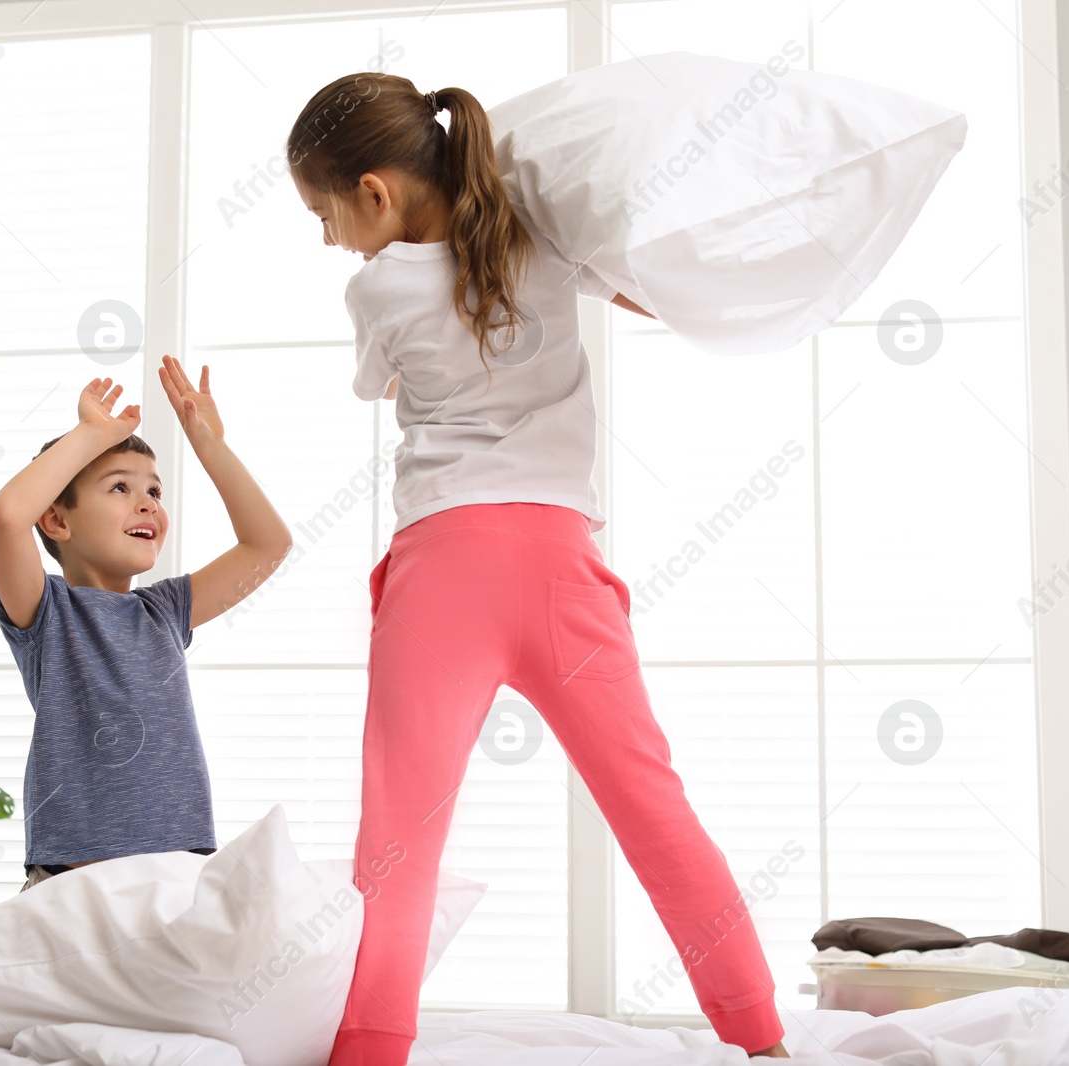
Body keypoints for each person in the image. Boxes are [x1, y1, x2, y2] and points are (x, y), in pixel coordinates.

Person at [287, 74, 791, 1062]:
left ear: (377, 193)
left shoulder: (375, 284)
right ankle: (760, 1033)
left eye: (324, 213)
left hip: (441, 568)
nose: (327, 236)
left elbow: (375, 380)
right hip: (559, 565)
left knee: (398, 837)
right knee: (653, 808)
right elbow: (652, 293)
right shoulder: (548, 237)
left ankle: (372, 1049)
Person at [0, 355, 293, 1016]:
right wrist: (89, 437)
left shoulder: (164, 611)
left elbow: (267, 546)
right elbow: (5, 516)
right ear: (59, 522)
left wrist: (211, 447)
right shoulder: (47, 612)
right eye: (119, 486)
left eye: (155, 491)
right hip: (72, 888)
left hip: (172, 884)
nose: (148, 503)